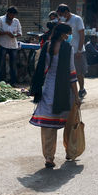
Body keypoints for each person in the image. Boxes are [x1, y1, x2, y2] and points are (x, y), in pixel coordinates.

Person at [29, 23, 80, 168]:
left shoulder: (47, 46)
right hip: (62, 91)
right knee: (69, 123)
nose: (69, 36)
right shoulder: (67, 48)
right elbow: (71, 72)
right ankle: (70, 151)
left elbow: (40, 68)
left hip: (47, 89)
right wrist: (76, 95)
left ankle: (49, 157)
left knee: (47, 126)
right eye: (69, 33)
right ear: (64, 34)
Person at [57, 4, 87, 99]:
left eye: (62, 14)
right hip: (66, 50)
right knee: (67, 72)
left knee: (78, 72)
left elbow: (82, 35)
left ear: (66, 12)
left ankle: (81, 89)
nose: (61, 16)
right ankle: (70, 90)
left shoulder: (77, 19)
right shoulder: (62, 20)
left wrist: (79, 50)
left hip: (77, 50)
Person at [0, 6, 22, 86]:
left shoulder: (16, 21)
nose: (13, 17)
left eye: (14, 15)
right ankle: (0, 82)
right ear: (8, 13)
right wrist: (6, 33)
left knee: (13, 65)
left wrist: (15, 35)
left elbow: (20, 33)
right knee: (1, 64)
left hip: (13, 46)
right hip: (3, 45)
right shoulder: (0, 19)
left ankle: (13, 82)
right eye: (11, 15)